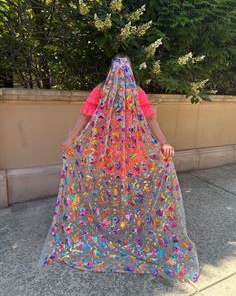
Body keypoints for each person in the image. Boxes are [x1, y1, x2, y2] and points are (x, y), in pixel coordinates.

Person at [37, 54, 199, 285]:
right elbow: (85, 118)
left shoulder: (137, 93)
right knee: (107, 190)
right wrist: (70, 139)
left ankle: (125, 231)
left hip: (133, 154)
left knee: (128, 192)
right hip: (105, 154)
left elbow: (151, 121)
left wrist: (164, 143)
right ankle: (110, 230)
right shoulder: (100, 92)